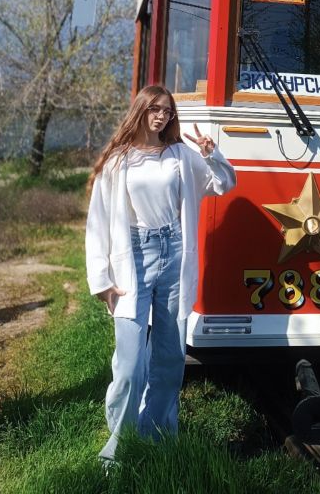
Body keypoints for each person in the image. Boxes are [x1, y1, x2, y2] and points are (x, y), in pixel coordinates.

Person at [85, 84, 236, 463]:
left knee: (169, 358)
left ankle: (157, 437)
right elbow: (98, 221)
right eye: (154, 109)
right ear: (140, 111)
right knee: (131, 364)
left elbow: (224, 183)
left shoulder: (181, 155)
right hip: (133, 257)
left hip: (173, 252)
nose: (161, 116)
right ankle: (116, 447)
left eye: (167, 111)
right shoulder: (119, 160)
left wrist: (212, 154)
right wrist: (101, 280)